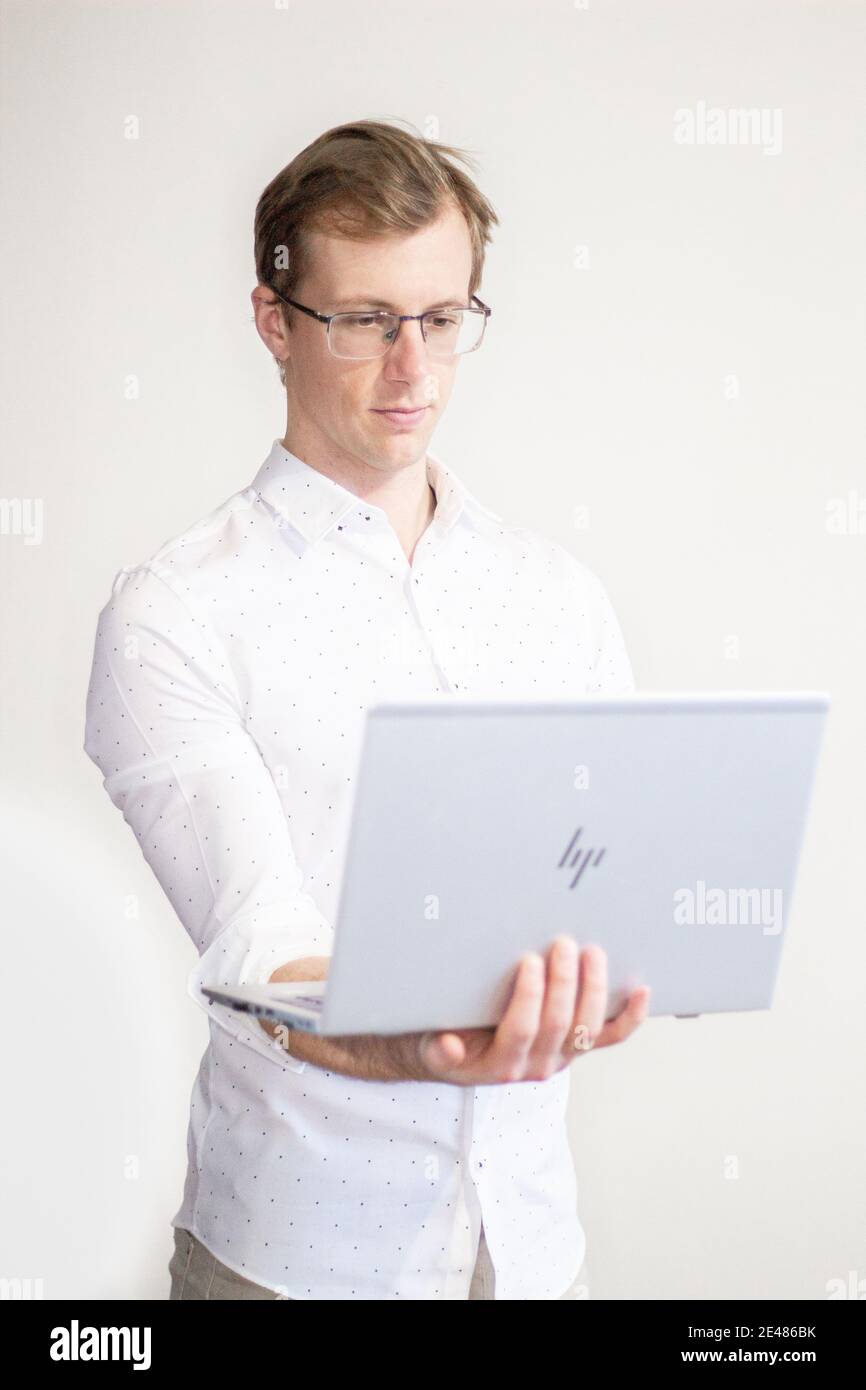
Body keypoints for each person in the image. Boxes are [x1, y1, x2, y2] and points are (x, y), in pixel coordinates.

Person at [84, 118, 650, 1301]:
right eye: (365, 322)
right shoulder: (173, 614)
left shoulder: (555, 595)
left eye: (442, 319)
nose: (415, 371)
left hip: (532, 1251)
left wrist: (615, 959)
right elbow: (259, 949)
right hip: (295, 1262)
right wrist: (415, 1044)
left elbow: (602, 873)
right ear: (273, 322)